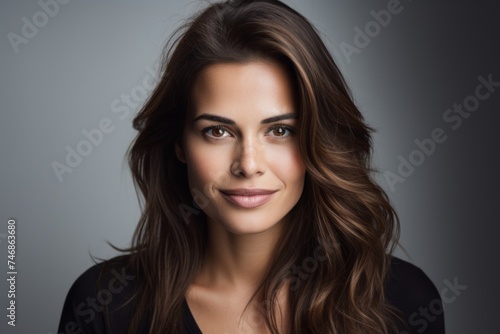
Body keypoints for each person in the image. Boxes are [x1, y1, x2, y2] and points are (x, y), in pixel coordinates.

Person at [58, 0, 445, 333]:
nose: (248, 164)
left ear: (319, 140)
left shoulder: (402, 303)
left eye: (279, 130)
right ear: (179, 143)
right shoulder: (105, 306)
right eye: (217, 131)